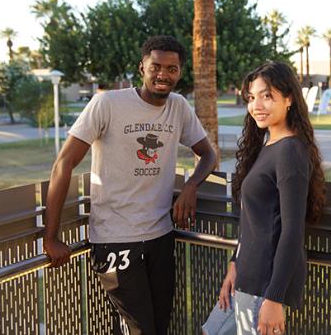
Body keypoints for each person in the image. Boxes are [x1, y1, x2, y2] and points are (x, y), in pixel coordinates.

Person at [44, 35, 217, 335]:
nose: (163, 74)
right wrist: (51, 236)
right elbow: (64, 164)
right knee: (141, 330)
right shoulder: (107, 104)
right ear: (142, 68)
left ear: (180, 71)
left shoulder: (178, 106)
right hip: (115, 239)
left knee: (159, 327)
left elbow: (209, 154)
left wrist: (191, 186)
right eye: (156, 67)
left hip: (161, 236)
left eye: (172, 69)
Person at [202, 62, 326, 335]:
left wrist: (274, 298)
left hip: (263, 285)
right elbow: (253, 220)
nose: (257, 104)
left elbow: (292, 231)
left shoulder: (290, 152)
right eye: (252, 97)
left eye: (267, 96)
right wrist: (235, 263)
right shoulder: (268, 145)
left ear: (289, 99)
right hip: (245, 275)